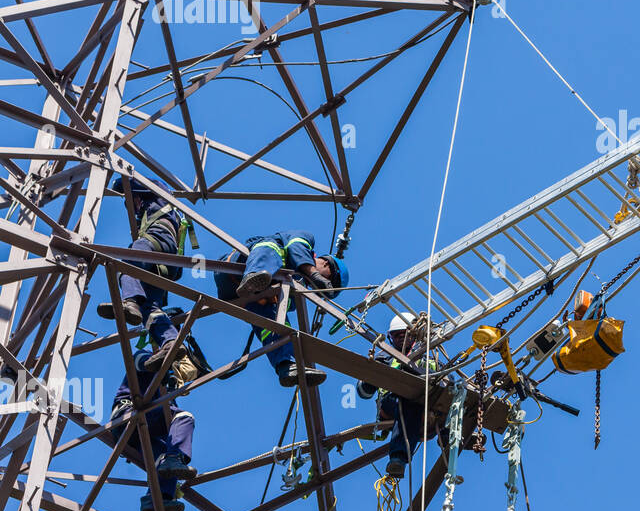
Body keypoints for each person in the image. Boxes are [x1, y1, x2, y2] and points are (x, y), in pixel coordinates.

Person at [213, 230, 348, 388]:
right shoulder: (306, 240)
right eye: (328, 280)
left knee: (278, 319)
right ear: (326, 264)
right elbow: (296, 247)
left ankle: (285, 366)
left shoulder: (298, 288)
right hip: (234, 266)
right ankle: (254, 275)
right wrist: (314, 274)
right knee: (273, 247)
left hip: (238, 296)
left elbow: (288, 306)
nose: (319, 288)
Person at [95, 177, 195, 339]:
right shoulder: (149, 213)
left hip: (159, 240)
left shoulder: (158, 194)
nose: (135, 210)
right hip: (166, 264)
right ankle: (170, 342)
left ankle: (129, 301)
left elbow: (126, 182)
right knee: (149, 308)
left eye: (132, 203)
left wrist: (116, 181)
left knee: (129, 263)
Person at [108, 346, 196, 511]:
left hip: (136, 431)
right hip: (128, 414)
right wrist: (164, 365)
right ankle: (172, 460)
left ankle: (157, 499)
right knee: (184, 418)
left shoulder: (164, 388)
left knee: (165, 463)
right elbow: (141, 361)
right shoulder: (146, 357)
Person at [357, 312, 437, 478]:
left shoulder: (430, 358)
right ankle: (398, 458)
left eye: (404, 334)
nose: (401, 338)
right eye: (396, 335)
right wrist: (371, 378)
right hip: (393, 402)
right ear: (390, 337)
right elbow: (363, 392)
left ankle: (456, 437)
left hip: (427, 408)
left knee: (451, 397)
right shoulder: (385, 356)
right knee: (408, 399)